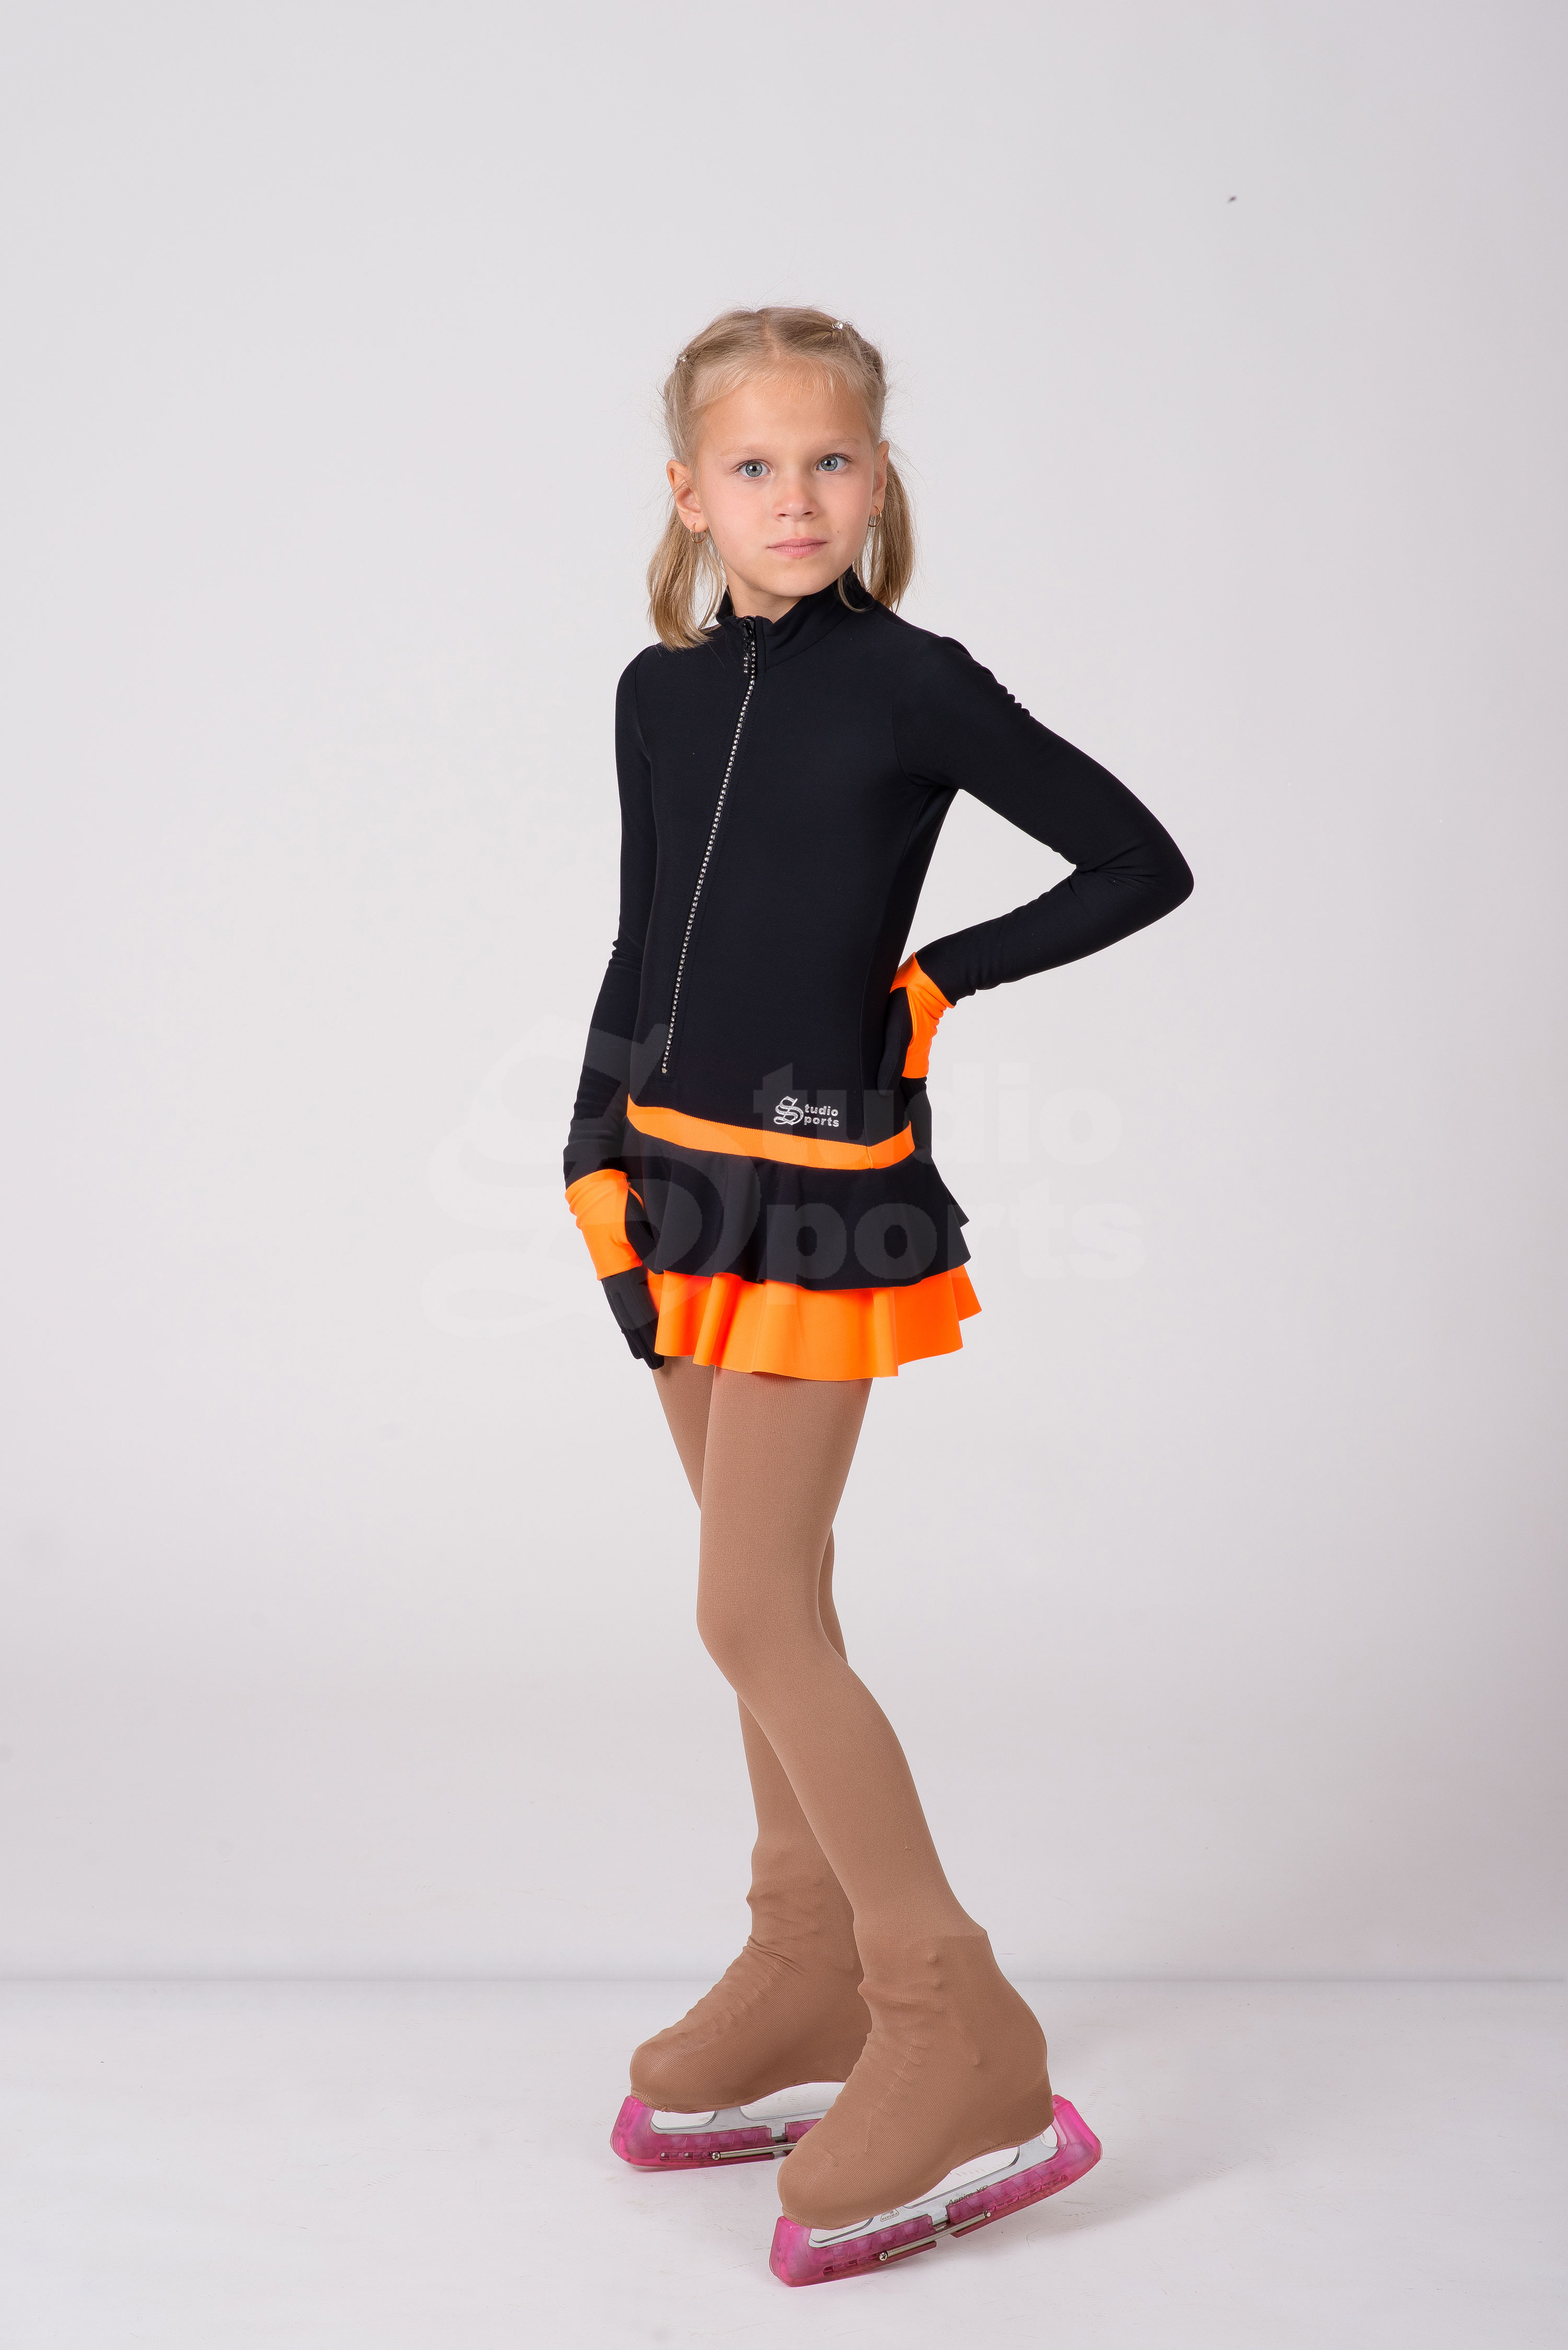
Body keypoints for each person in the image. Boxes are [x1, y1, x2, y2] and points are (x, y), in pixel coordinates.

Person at [562, 306, 1193, 2283]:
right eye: (755, 467)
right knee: (783, 1605)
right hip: (670, 1181)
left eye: (831, 461)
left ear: (880, 479)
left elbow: (1138, 859)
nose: (797, 498)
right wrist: (591, 1151)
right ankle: (807, 1958)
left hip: (824, 1197)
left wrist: (939, 982)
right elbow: (640, 933)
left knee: (747, 1606)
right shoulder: (658, 696)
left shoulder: (915, 685)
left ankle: (956, 2025)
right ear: (689, 494)